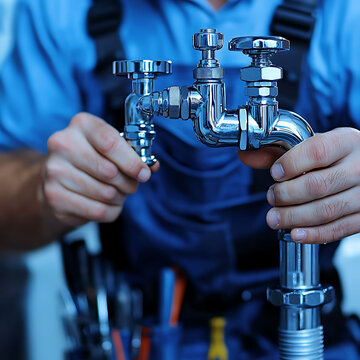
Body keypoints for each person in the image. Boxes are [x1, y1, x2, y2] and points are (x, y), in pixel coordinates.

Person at [1, 0, 360, 358]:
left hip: (306, 327)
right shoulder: (60, 9)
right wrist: (39, 191)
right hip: (139, 335)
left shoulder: (345, 12)